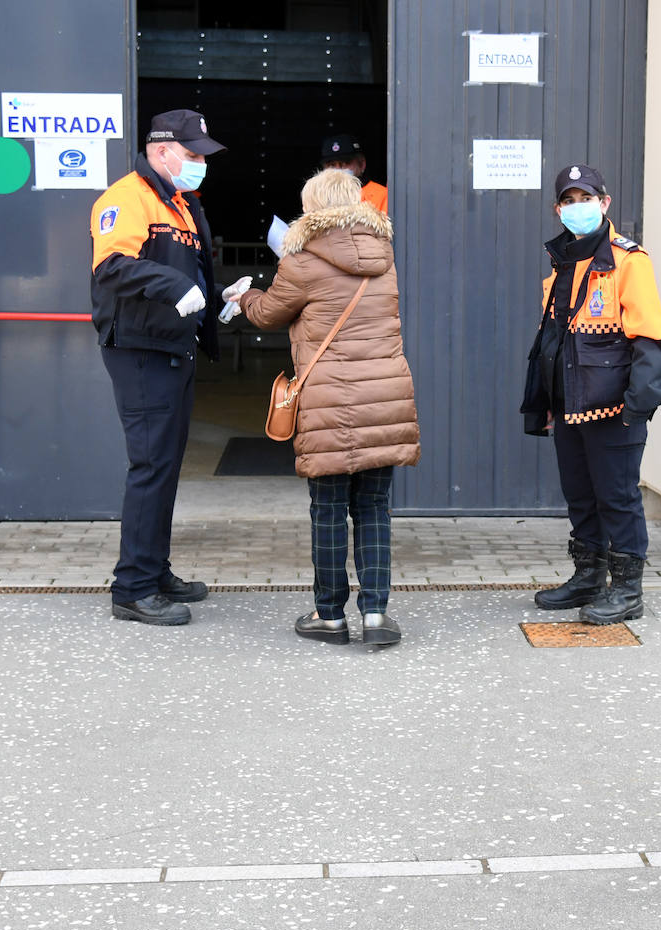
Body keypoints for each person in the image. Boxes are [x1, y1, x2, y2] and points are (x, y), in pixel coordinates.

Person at [240, 168, 419, 645]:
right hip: (384, 398)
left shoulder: (300, 260)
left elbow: (267, 313)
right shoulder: (384, 255)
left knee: (328, 509)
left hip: (328, 404)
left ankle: (330, 616)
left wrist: (244, 296)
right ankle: (377, 616)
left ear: (313, 206)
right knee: (375, 507)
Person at [90, 109, 252, 627]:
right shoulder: (127, 197)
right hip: (139, 348)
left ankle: (154, 571)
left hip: (172, 347)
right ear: (161, 151)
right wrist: (176, 288)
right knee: (151, 465)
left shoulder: (180, 203)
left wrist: (215, 296)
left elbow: (188, 270)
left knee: (165, 464)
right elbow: (113, 265)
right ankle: (133, 588)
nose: (201, 162)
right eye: (192, 153)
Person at [521, 164, 661, 624]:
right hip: (570, 403)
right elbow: (552, 340)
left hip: (613, 406)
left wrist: (637, 406)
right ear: (558, 209)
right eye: (568, 200)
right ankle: (589, 576)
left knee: (617, 495)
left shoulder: (629, 261)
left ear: (604, 204)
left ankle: (627, 588)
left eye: (585, 198)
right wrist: (545, 401)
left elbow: (650, 339)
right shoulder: (561, 261)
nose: (576, 207)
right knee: (580, 495)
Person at [320, 133, 388, 213]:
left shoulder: (382, 195)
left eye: (344, 164)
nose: (337, 170)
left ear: (362, 164)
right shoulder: (317, 196)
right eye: (332, 165)